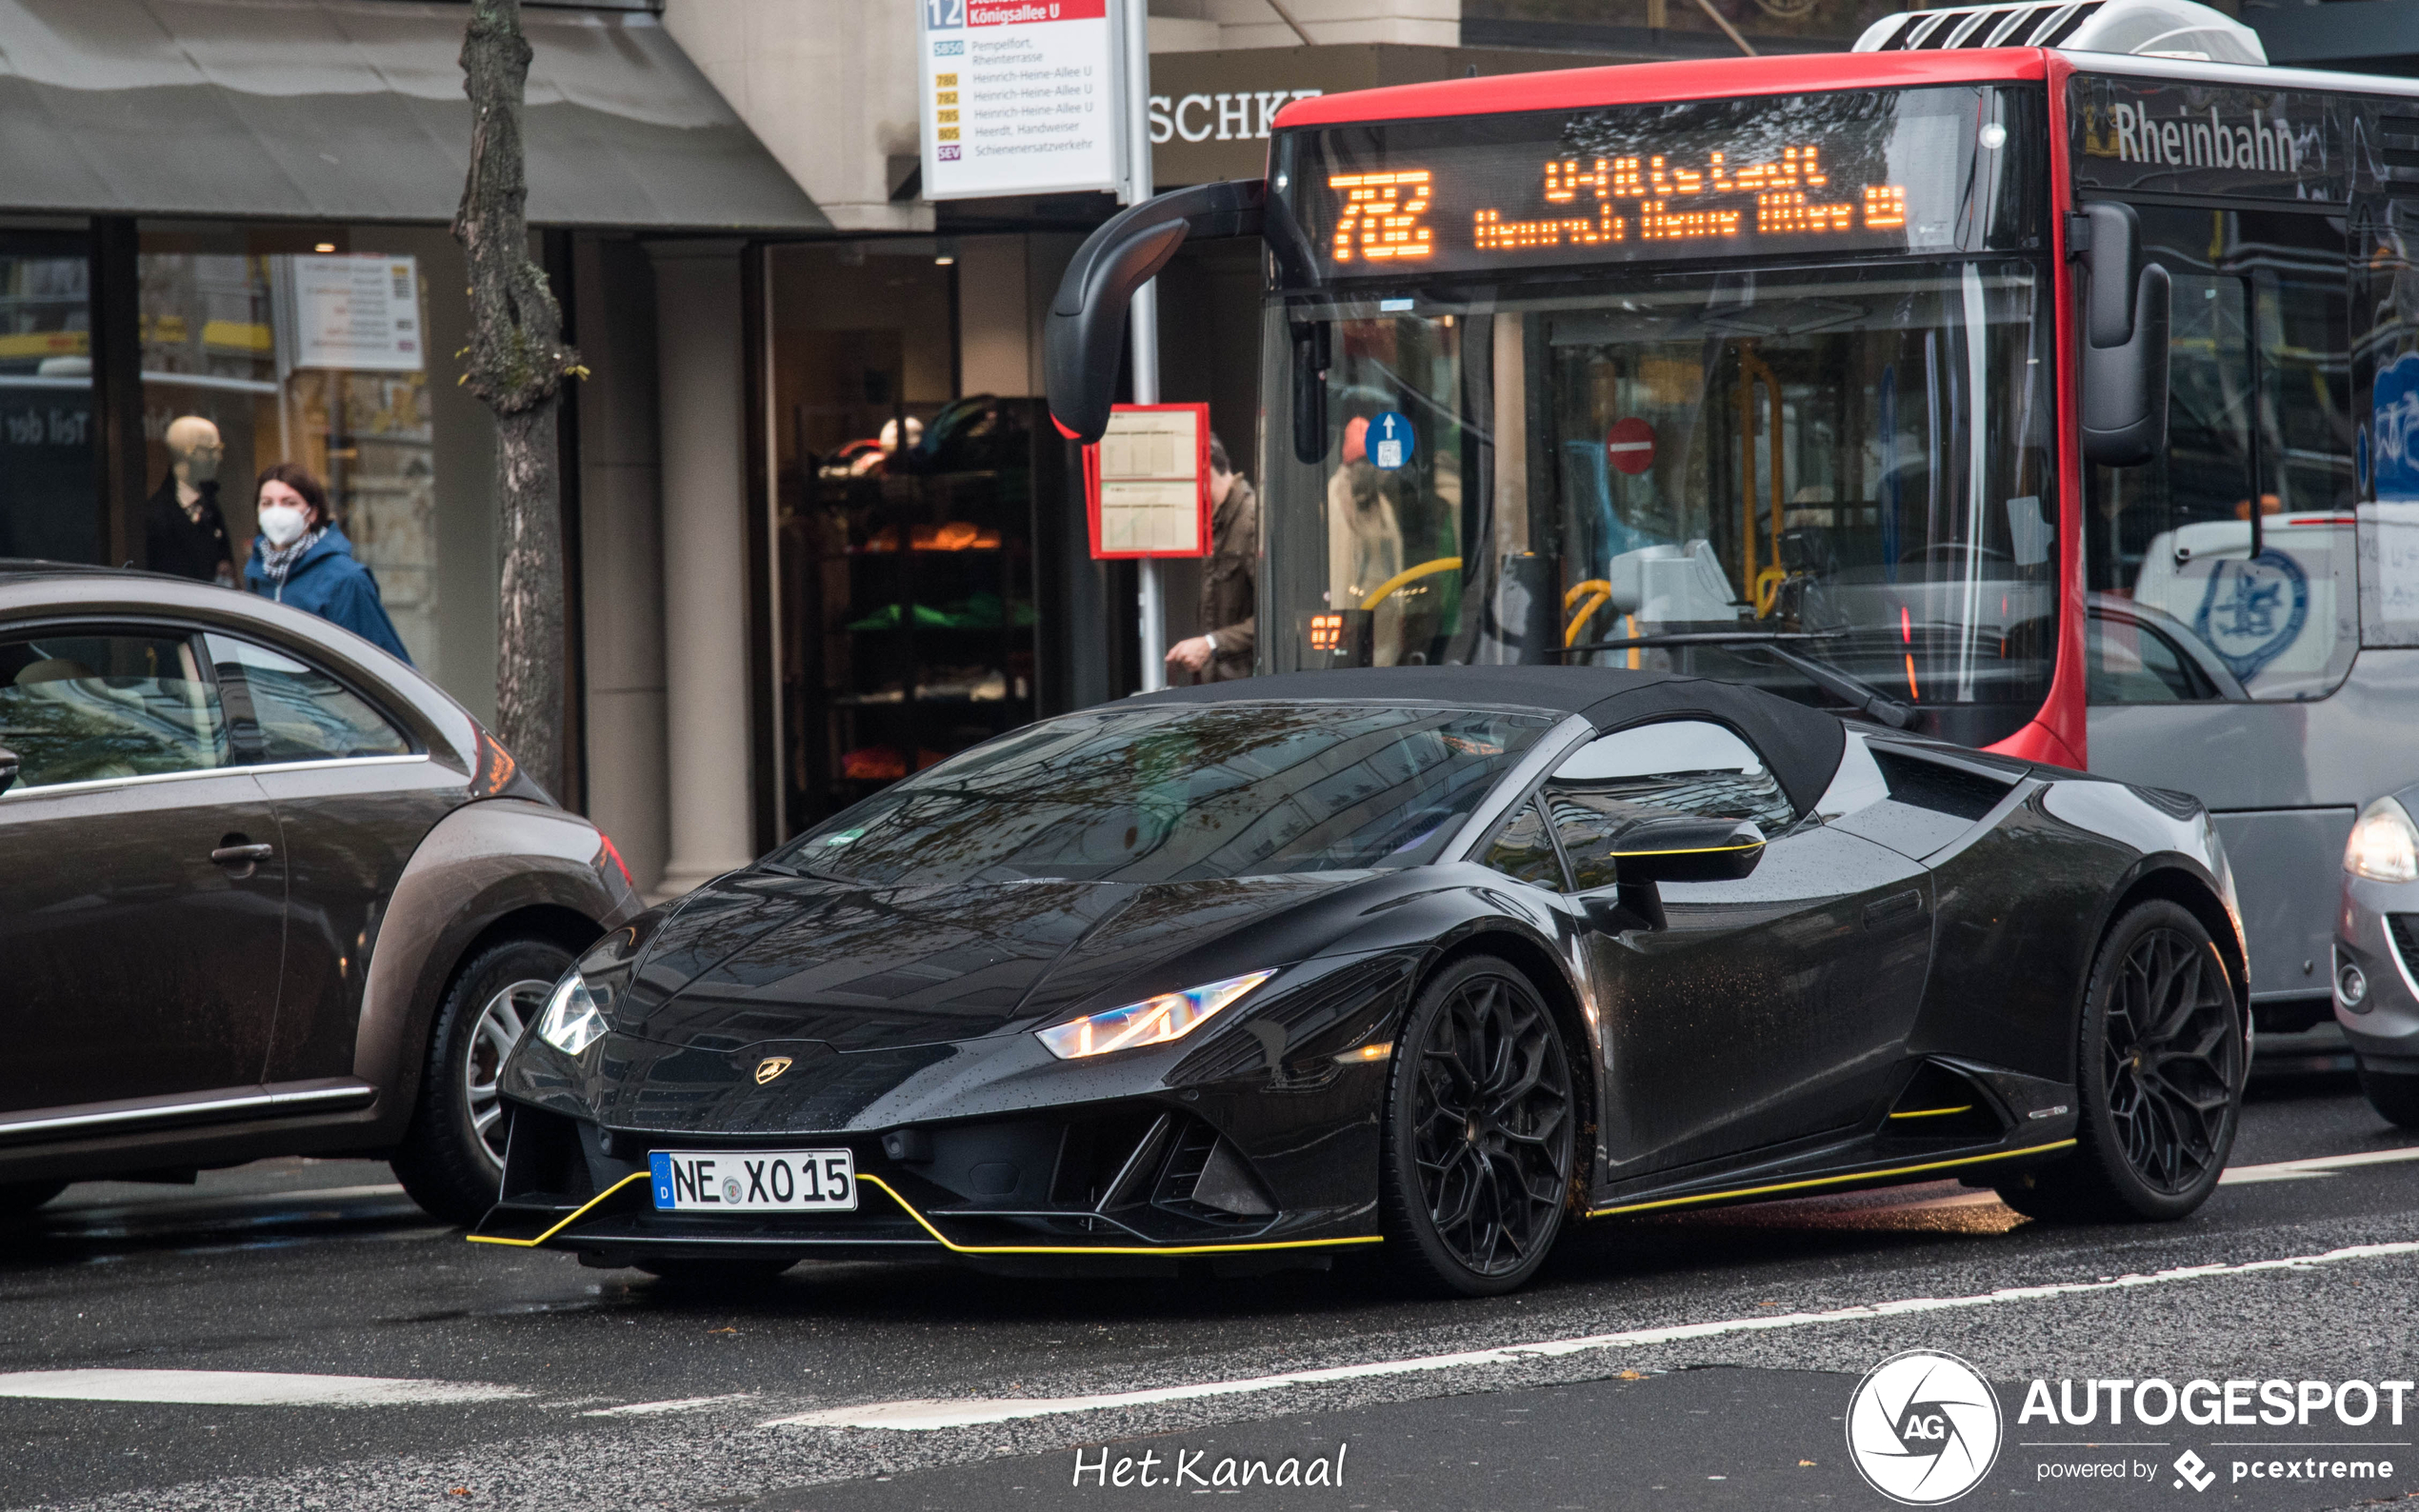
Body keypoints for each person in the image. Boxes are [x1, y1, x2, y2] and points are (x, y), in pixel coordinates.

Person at [241, 463, 413, 664]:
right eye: (267, 503)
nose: (276, 513)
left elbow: (383, 662)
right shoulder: (256, 573)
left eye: (289, 503)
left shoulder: (346, 578)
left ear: (312, 513)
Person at [1165, 432, 1257, 682]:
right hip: (1220, 688)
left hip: (1246, 692)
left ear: (1202, 468)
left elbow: (1276, 618)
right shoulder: (1216, 519)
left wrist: (1210, 644)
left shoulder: (1251, 521)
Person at [1327, 415, 1406, 666]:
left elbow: (1396, 562)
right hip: (1356, 622)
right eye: (1365, 462)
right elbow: (1340, 565)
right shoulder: (1337, 499)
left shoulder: (1381, 505)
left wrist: (1402, 612)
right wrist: (1341, 620)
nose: (1375, 470)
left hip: (1385, 623)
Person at [144, 415, 234, 585]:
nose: (218, 458)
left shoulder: (212, 507)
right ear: (188, 452)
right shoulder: (157, 516)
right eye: (211, 450)